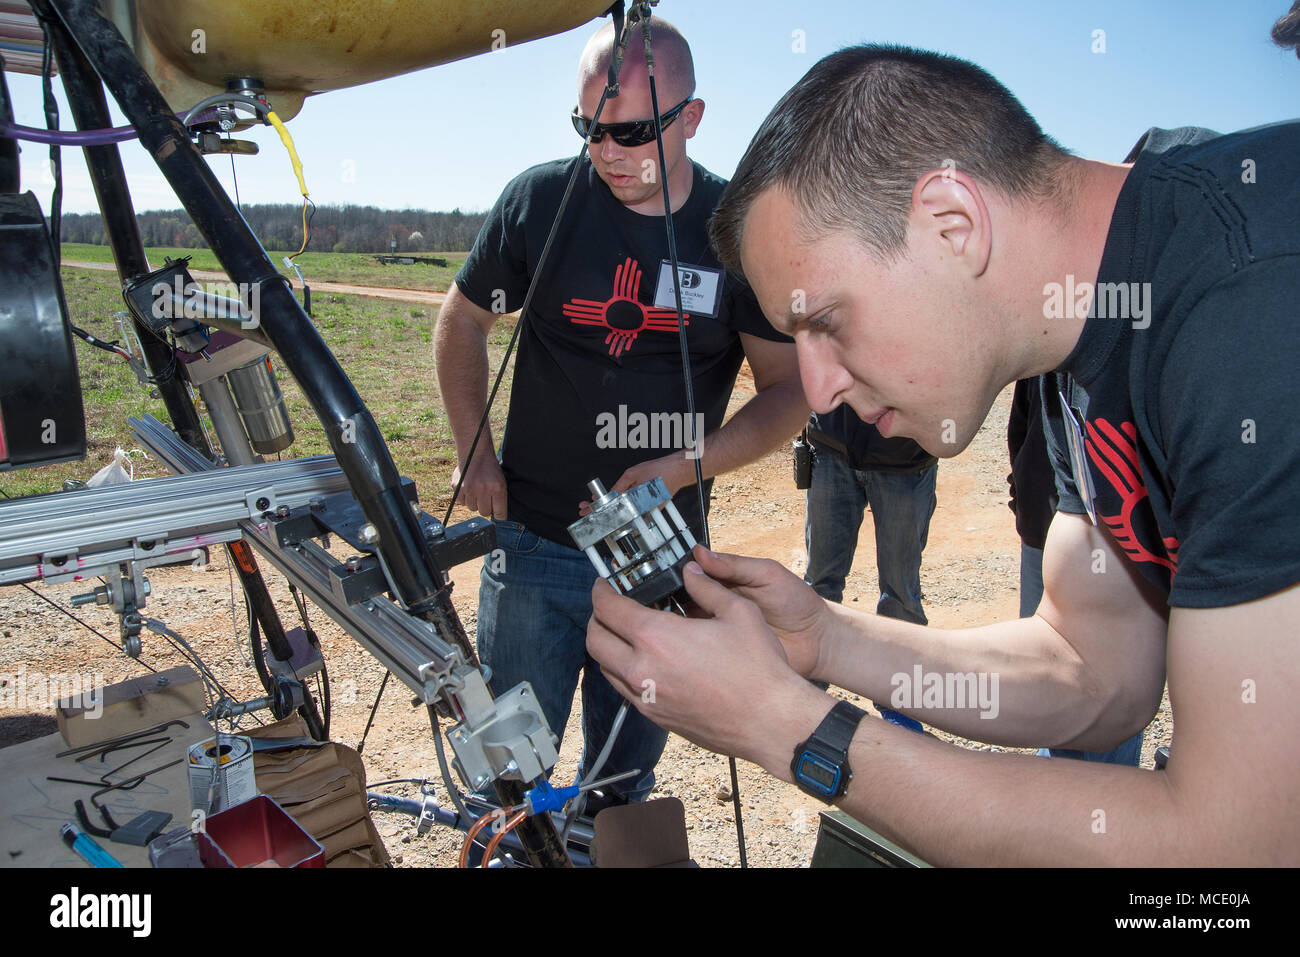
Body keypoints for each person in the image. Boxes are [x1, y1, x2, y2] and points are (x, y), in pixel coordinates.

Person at [586, 44, 1300, 864]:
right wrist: (824, 639)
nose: (815, 392)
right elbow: (1090, 674)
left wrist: (787, 725)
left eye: (823, 320)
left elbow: (1240, 849)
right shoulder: (1075, 341)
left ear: (952, 224)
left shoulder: (1251, 302)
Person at [433, 17, 805, 807]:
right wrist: (476, 452)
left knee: (622, 786)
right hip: (532, 542)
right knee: (503, 780)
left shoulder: (733, 233)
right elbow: (461, 320)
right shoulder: (541, 202)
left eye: (631, 132)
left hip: (659, 560)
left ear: (691, 119)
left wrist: (685, 468)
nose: (605, 152)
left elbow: (790, 390)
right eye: (589, 130)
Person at [1008, 376, 1143, 765]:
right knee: (1044, 672)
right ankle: (1063, 772)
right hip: (1042, 533)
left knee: (1108, 679)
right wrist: (1024, 496)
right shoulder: (1047, 356)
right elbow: (1023, 424)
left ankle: (1108, 790)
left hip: (1112, 549)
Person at [804, 406, 937, 625]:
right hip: (832, 445)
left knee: (900, 588)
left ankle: (900, 655)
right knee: (819, 581)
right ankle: (815, 653)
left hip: (904, 457)